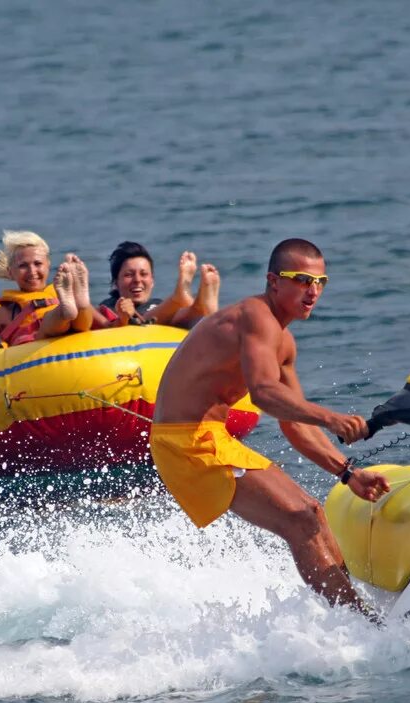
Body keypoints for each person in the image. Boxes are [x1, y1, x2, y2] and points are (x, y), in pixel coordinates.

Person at [149, 238, 390, 620]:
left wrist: (347, 472)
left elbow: (294, 426)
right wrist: (331, 417)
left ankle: (359, 613)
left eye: (320, 282)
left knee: (313, 513)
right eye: (301, 280)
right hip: (185, 442)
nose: (313, 291)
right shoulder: (255, 317)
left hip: (210, 439)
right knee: (300, 518)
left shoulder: (284, 342)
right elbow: (263, 393)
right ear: (274, 281)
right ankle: (360, 624)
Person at [0, 230, 95, 353]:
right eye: (23, 266)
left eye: (38, 263)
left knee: (81, 320)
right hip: (36, 346)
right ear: (10, 272)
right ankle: (64, 311)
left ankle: (81, 305)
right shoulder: (5, 311)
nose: (32, 271)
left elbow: (105, 324)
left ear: (48, 265)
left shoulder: (64, 294)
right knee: (50, 322)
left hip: (74, 331)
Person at [99, 241, 220, 329]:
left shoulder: (158, 304)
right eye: (129, 275)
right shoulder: (108, 308)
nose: (137, 280)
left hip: (165, 330)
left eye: (144, 274)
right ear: (116, 283)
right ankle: (180, 299)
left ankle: (201, 306)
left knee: (180, 316)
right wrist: (123, 317)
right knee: (162, 316)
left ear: (152, 281)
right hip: (131, 333)